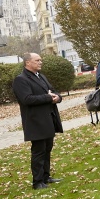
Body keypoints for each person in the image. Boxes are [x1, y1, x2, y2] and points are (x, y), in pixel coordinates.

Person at [12, 53, 63, 190]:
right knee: (38, 151)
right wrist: (48, 97)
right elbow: (27, 99)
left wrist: (57, 97)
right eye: (37, 60)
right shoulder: (21, 80)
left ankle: (46, 177)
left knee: (47, 149)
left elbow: (55, 92)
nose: (40, 62)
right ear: (28, 62)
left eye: (41, 60)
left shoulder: (41, 76)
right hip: (35, 121)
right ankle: (37, 181)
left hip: (48, 119)